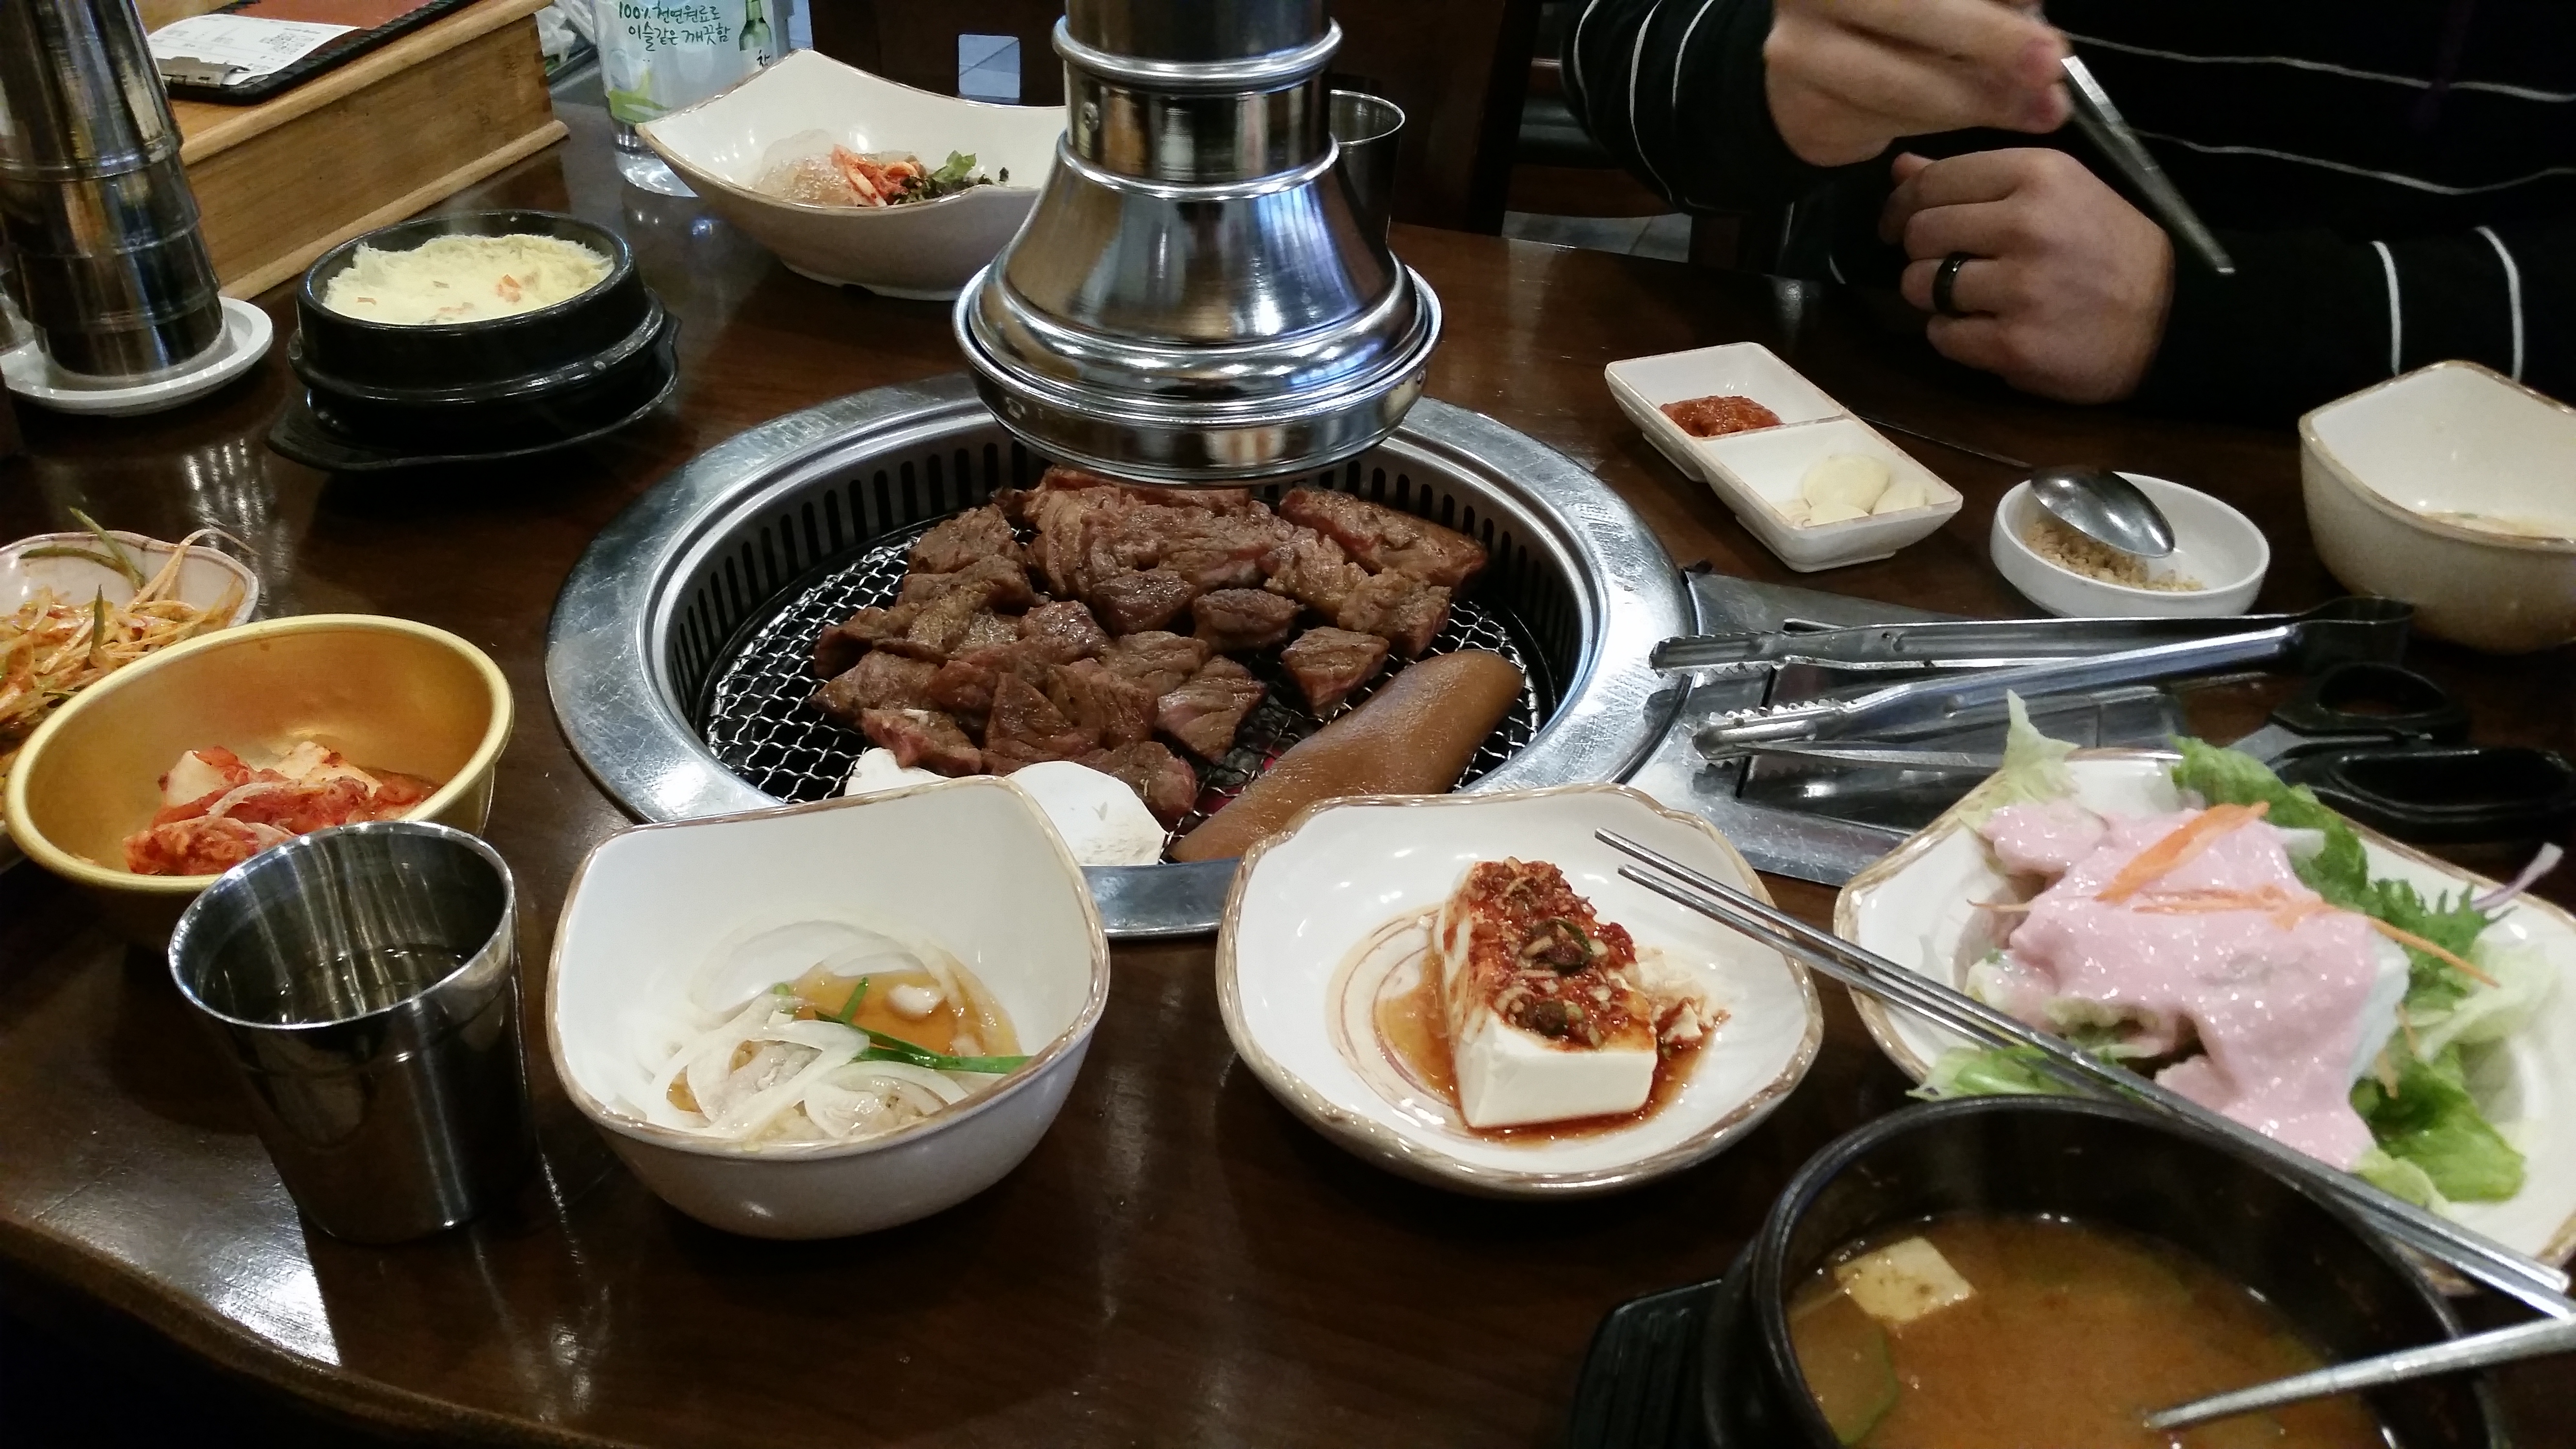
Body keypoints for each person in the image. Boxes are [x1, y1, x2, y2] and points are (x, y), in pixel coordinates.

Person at [1562, 0, 2574, 420]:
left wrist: (2198, 312)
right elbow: (1616, 42)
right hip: (1862, 441)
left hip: (2468, 529)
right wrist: (1763, 81)